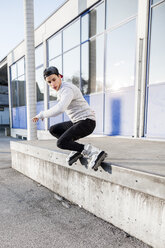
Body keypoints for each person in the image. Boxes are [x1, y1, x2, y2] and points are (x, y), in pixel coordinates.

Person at [32, 66, 107, 170]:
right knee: (54, 129)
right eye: (49, 82)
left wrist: (42, 114)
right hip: (77, 121)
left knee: (61, 143)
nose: (52, 84)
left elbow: (61, 108)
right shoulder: (61, 90)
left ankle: (94, 152)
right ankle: (76, 149)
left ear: (59, 76)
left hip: (86, 122)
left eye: (54, 79)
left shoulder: (66, 89)